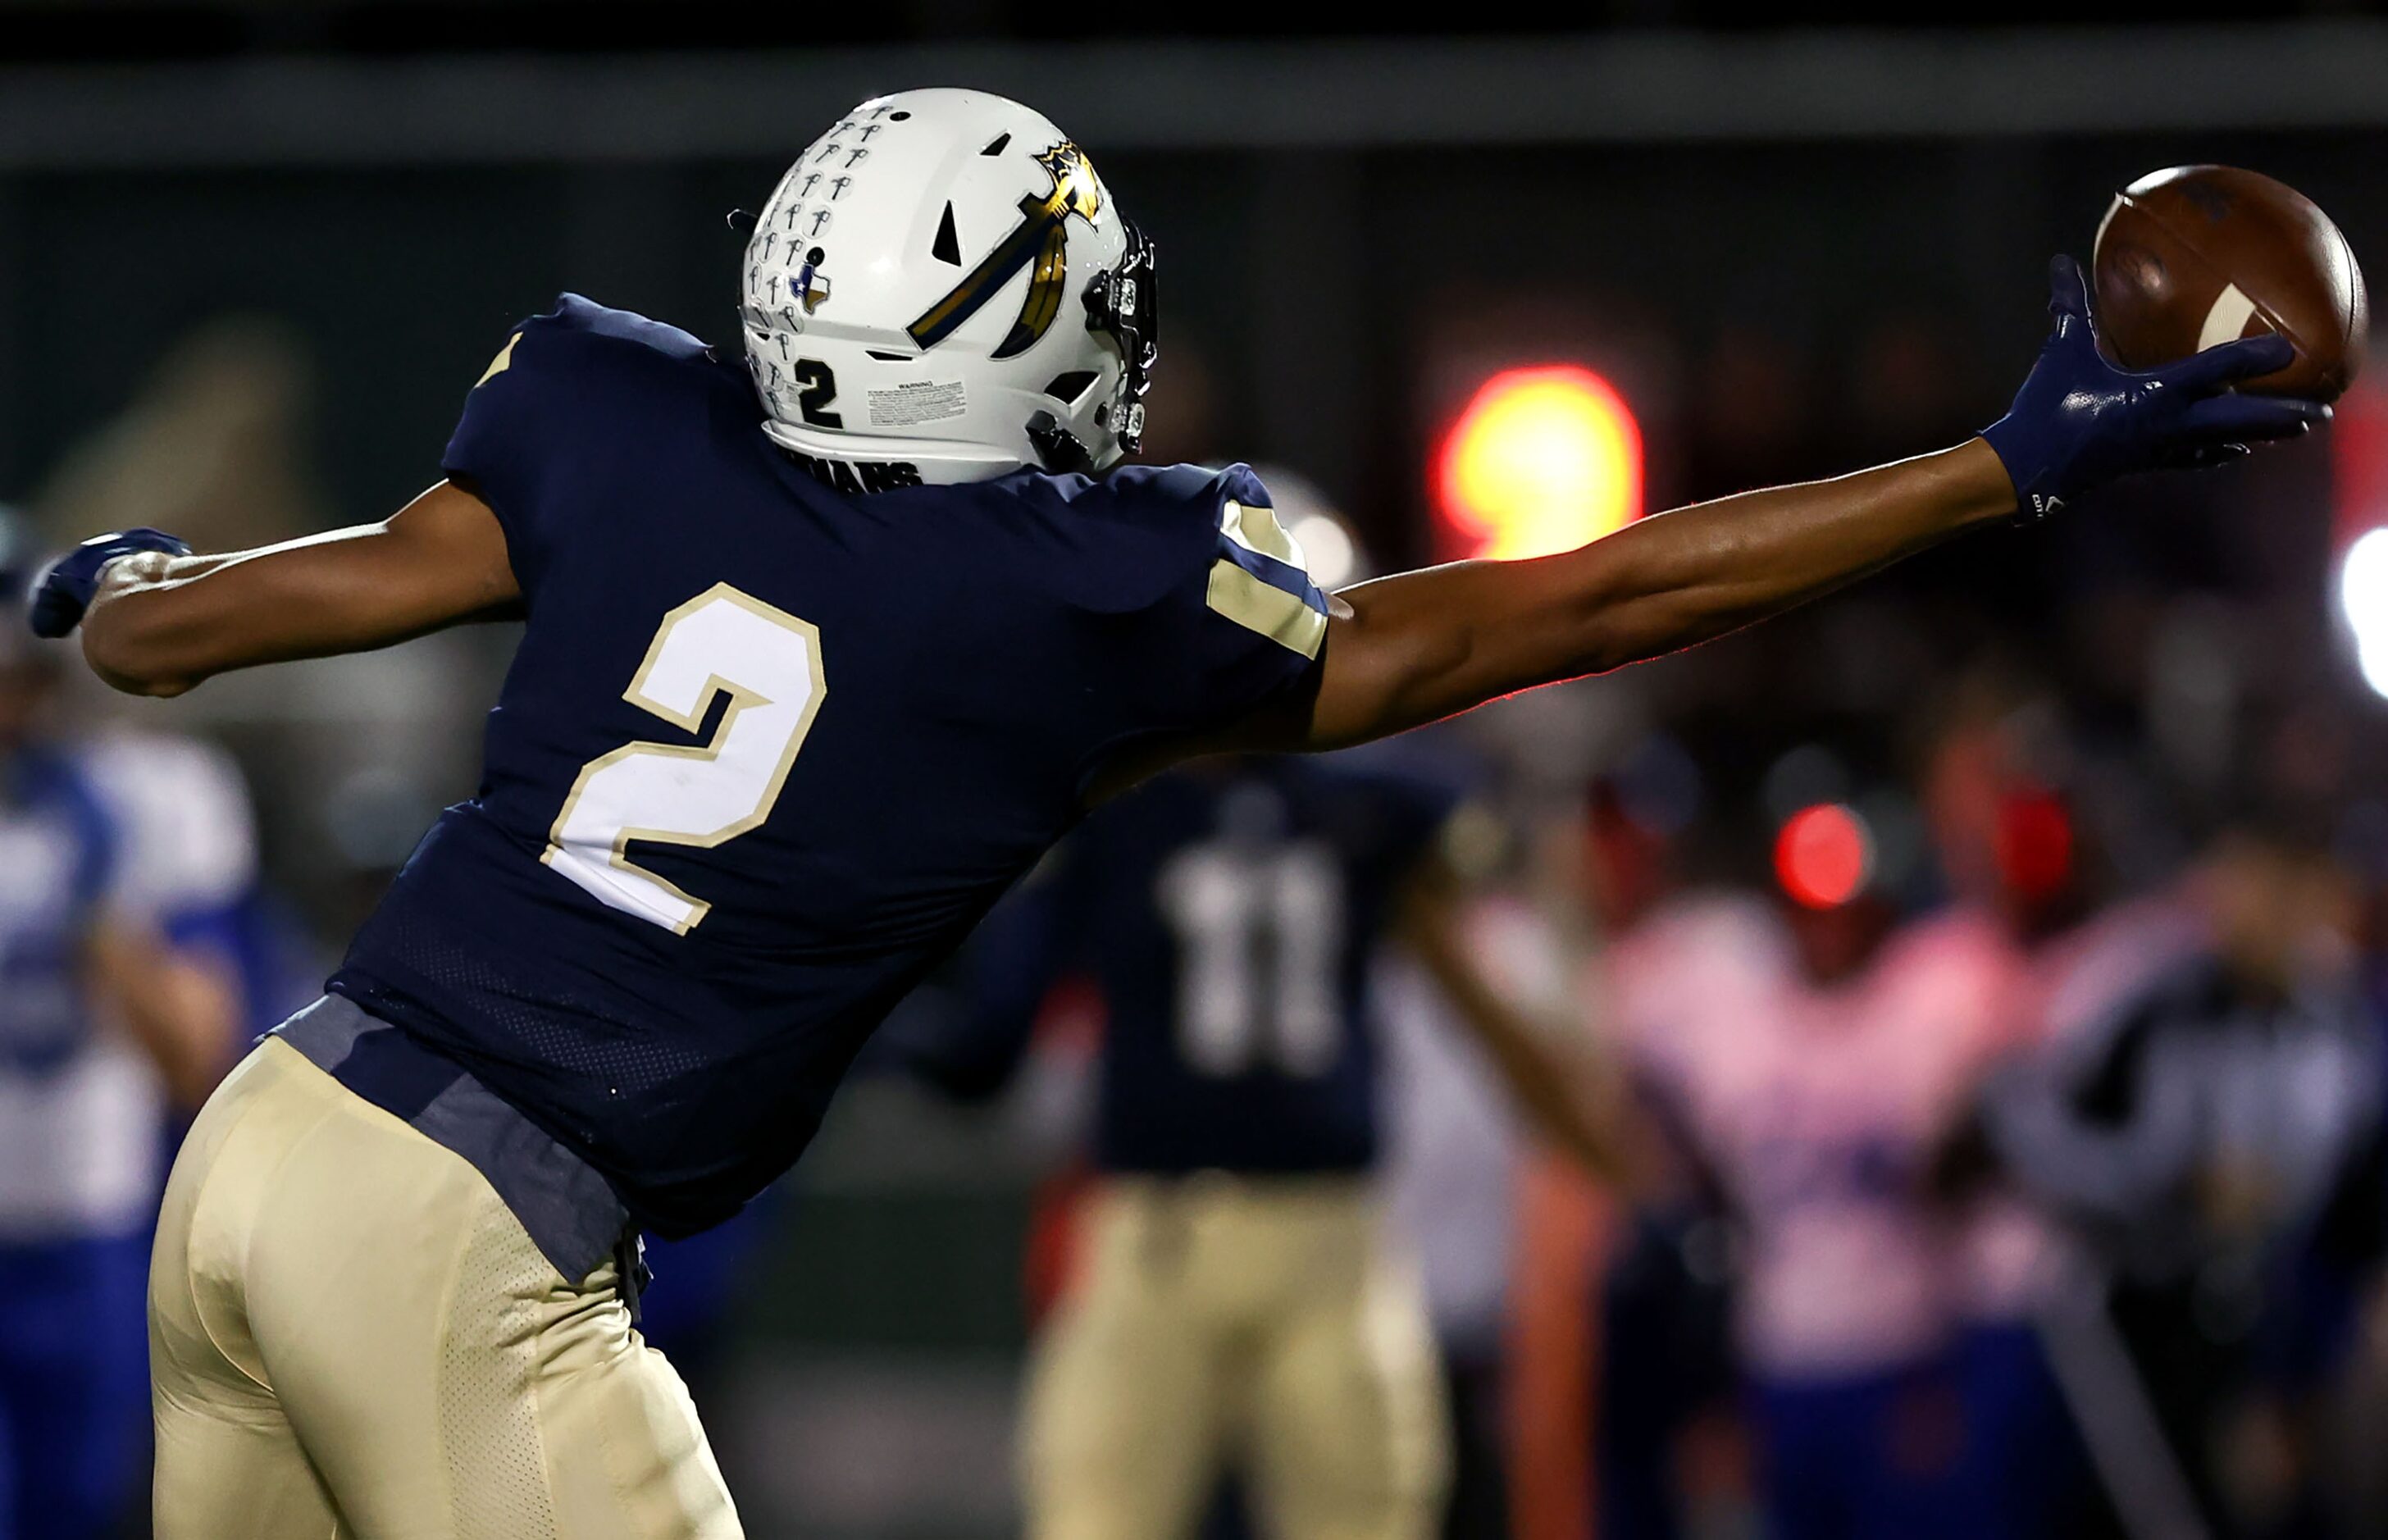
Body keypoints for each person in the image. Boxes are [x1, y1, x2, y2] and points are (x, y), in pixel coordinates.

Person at [25, 85, 2323, 1539]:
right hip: (468, 1233)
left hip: (264, 1143)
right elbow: (1582, 597)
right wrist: (1996, 466)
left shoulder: (614, 415)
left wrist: (127, 594)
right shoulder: (1069, 599)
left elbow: (193, 626)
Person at [890, 747, 1614, 1540]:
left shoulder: (1363, 805)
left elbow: (983, 1049)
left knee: (1354, 1515)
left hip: (1314, 1234)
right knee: (1101, 1510)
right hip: (1168, 1232)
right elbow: (991, 1041)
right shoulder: (1138, 808)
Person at [0, 523, 244, 1540]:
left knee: (80, 1508)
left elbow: (200, 1059)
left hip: (91, 1233)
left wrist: (100, 905)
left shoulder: (146, 800)